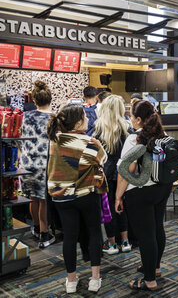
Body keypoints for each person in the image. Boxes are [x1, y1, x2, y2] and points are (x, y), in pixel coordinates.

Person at [47, 104, 107, 294]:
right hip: (85, 194)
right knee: (94, 234)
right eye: (85, 117)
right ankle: (95, 278)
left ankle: (71, 280)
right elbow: (102, 159)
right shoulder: (90, 142)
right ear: (79, 121)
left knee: (69, 238)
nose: (89, 119)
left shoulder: (54, 140)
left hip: (61, 198)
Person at [114, 101, 172, 291]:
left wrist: (118, 197)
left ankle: (149, 281)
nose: (130, 119)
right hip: (162, 188)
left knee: (146, 235)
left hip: (140, 193)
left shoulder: (135, 139)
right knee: (157, 229)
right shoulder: (164, 136)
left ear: (138, 119)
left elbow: (126, 171)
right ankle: (154, 268)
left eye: (131, 116)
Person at [93, 95, 131, 255]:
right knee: (121, 206)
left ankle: (111, 244)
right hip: (123, 172)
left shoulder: (99, 128)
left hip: (105, 174)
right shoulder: (126, 127)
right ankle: (125, 241)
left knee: (107, 208)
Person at [20, 80, 55, 248]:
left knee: (32, 197)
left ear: (34, 101)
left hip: (26, 163)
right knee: (43, 200)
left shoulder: (24, 116)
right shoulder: (54, 118)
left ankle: (35, 228)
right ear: (50, 99)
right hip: (45, 163)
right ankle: (45, 234)